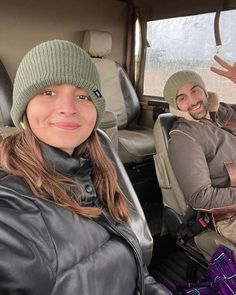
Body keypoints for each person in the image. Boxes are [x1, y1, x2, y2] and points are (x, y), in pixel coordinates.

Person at [0, 40, 171, 294]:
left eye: (83, 96)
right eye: (48, 92)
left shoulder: (98, 161)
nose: (68, 108)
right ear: (24, 108)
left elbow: (138, 271)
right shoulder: (12, 207)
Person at [163, 56, 236, 260]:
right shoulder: (183, 136)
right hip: (228, 216)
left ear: (204, 90)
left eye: (195, 90)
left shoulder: (223, 112)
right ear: (175, 105)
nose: (193, 101)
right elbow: (200, 197)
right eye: (182, 97)